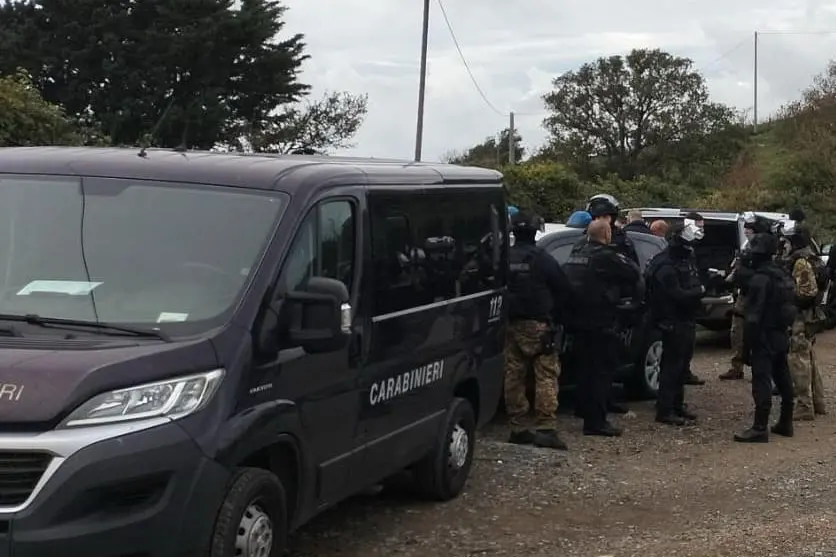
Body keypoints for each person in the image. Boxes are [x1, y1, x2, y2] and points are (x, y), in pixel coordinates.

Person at [562, 219, 642, 437]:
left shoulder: (577, 254)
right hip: (600, 322)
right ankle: (596, 422)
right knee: (600, 373)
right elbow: (632, 272)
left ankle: (583, 409)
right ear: (607, 235)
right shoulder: (606, 256)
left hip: (577, 322)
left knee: (584, 370)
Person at [503, 210, 569, 450]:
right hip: (539, 324)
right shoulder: (542, 259)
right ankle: (545, 428)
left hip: (509, 323)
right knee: (546, 375)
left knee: (513, 375)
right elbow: (563, 288)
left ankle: (518, 427)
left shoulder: (504, 257)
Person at [734, 232, 796, 443]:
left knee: (762, 380)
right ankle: (786, 422)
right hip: (781, 333)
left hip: (764, 335)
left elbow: (753, 317)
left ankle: (760, 428)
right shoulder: (782, 274)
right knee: (783, 377)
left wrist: (747, 347)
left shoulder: (761, 279)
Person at [645, 222, 705, 425]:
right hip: (671, 321)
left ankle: (677, 405)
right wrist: (699, 291)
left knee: (681, 366)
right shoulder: (665, 265)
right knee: (672, 366)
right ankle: (665, 409)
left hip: (685, 319)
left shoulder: (683, 260)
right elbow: (676, 294)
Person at [778, 221, 827, 420]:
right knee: (808, 358)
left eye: (786, 241)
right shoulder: (810, 257)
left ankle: (804, 406)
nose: (784, 245)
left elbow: (807, 293)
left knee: (798, 361)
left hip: (801, 317)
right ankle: (818, 403)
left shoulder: (800, 261)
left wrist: (787, 301)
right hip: (808, 316)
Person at [720, 220, 757, 380]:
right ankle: (736, 366)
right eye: (746, 229)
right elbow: (736, 268)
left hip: (756, 295)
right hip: (743, 294)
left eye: (750, 230)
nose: (747, 232)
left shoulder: (763, 248)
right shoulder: (745, 247)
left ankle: (759, 369)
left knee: (756, 333)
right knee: (737, 330)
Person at [572, 194, 640, 264]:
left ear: (612, 217)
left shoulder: (624, 242)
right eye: (597, 217)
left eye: (605, 217)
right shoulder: (581, 243)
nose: (600, 221)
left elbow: (634, 267)